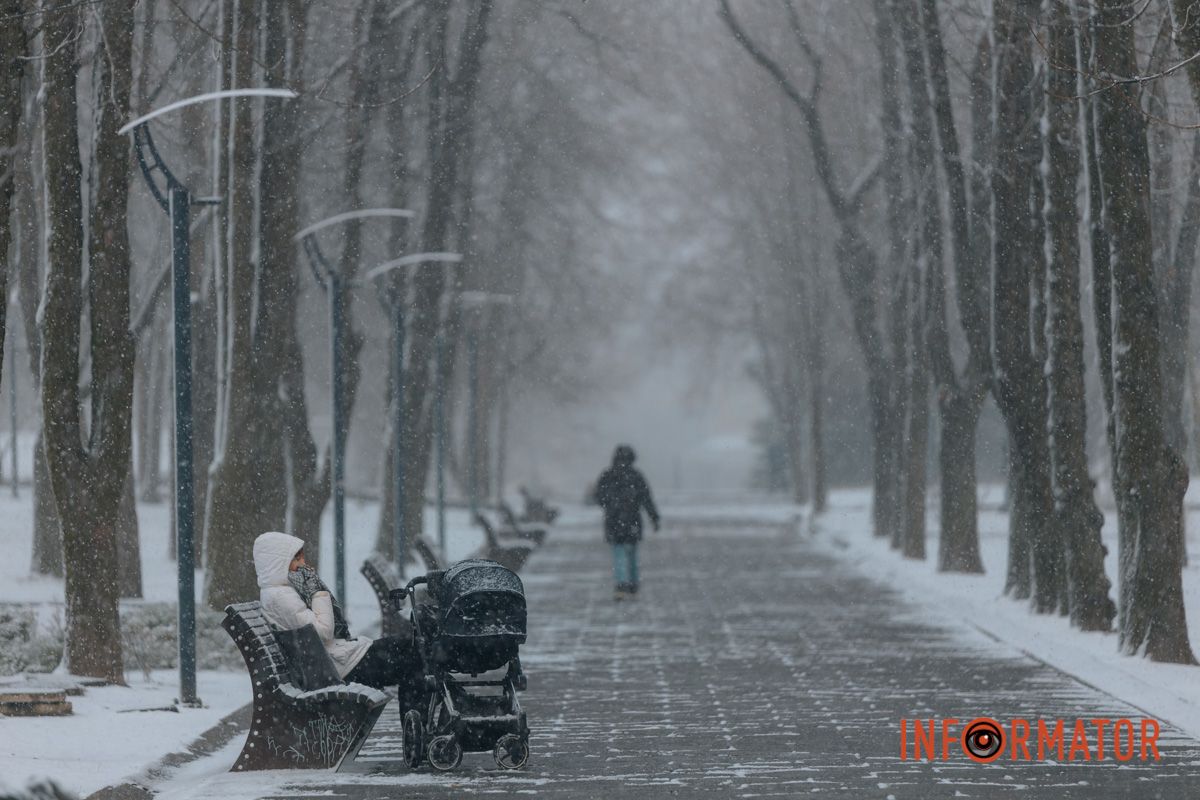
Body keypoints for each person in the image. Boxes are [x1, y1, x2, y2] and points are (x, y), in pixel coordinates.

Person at [252, 531, 423, 706]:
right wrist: (317, 593)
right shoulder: (280, 597)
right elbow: (325, 632)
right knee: (417, 656)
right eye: (297, 559)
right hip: (339, 668)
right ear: (278, 563)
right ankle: (417, 728)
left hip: (338, 659)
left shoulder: (281, 592)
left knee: (414, 647)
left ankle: (417, 726)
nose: (303, 563)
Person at [593, 445, 660, 600]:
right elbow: (647, 499)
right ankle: (633, 583)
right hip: (632, 522)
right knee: (632, 553)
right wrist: (654, 518)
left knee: (618, 553)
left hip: (613, 521)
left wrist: (611, 504)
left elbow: (598, 497)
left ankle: (621, 583)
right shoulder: (636, 476)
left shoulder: (608, 475)